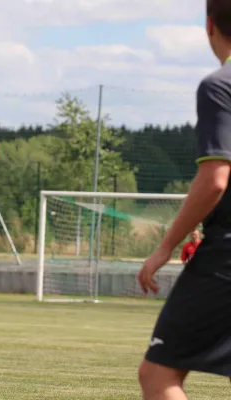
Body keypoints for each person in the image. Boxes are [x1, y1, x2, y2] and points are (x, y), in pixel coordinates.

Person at [137, 1, 231, 398]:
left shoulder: (220, 85)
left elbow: (215, 178)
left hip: (225, 257)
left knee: (158, 374)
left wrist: (164, 247)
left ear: (209, 24)